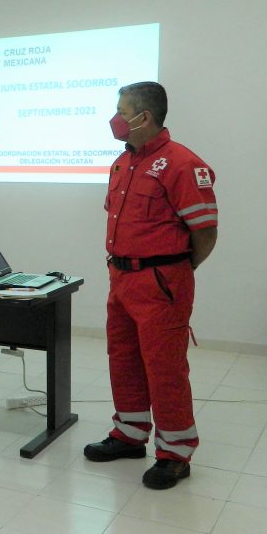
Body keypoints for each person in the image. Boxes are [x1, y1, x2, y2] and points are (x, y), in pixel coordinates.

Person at [84, 81, 218, 490]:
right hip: (121, 278)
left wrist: (177, 269)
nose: (116, 119)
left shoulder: (182, 164)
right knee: (123, 357)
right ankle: (129, 435)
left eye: (122, 112)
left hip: (161, 282)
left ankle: (175, 454)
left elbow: (205, 232)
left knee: (165, 367)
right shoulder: (122, 163)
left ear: (144, 117)